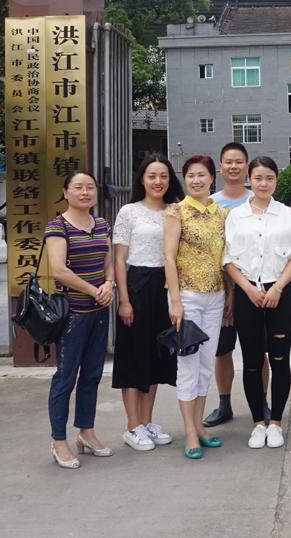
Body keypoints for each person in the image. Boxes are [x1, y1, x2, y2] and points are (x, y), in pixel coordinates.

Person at [223, 157, 291, 449]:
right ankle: (258, 422)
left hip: (279, 293)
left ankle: (277, 422)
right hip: (248, 294)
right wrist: (246, 288)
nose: (263, 183)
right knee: (252, 361)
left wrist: (278, 287)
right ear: (250, 179)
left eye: (269, 178)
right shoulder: (236, 216)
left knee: (280, 361)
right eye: (258, 178)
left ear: (276, 180)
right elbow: (228, 259)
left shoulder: (286, 214)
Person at [112, 154, 184, 452]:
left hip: (164, 287)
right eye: (152, 176)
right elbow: (119, 259)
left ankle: (147, 421)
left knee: (155, 357)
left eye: (163, 176)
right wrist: (124, 300)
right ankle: (132, 426)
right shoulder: (129, 212)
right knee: (133, 357)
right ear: (142, 179)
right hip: (137, 286)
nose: (158, 181)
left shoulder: (175, 211)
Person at [45, 171, 116, 469]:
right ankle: (58, 441)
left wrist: (109, 283)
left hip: (100, 311)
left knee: (92, 375)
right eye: (78, 187)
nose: (85, 192)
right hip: (73, 314)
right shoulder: (58, 226)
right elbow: (59, 270)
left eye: (90, 187)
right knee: (66, 377)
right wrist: (92, 290)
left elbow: (108, 261)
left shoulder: (102, 224)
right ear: (66, 192)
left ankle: (86, 432)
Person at [164, 155, 230, 460]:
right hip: (187, 297)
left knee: (205, 364)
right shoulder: (176, 211)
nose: (196, 180)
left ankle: (200, 425)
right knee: (188, 364)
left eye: (202, 175)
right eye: (191, 175)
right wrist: (176, 301)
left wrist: (229, 295)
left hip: (216, 296)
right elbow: (169, 257)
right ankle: (189, 431)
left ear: (212, 178)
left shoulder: (222, 213)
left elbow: (225, 258)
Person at [205, 142, 270, 428]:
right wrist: (226, 290)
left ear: (247, 166)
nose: (233, 166)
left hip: (254, 288)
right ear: (220, 168)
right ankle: (224, 404)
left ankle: (262, 402)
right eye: (228, 162)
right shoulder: (210, 203)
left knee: (259, 350)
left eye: (239, 162)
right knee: (222, 351)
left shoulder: (257, 199)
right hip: (218, 289)